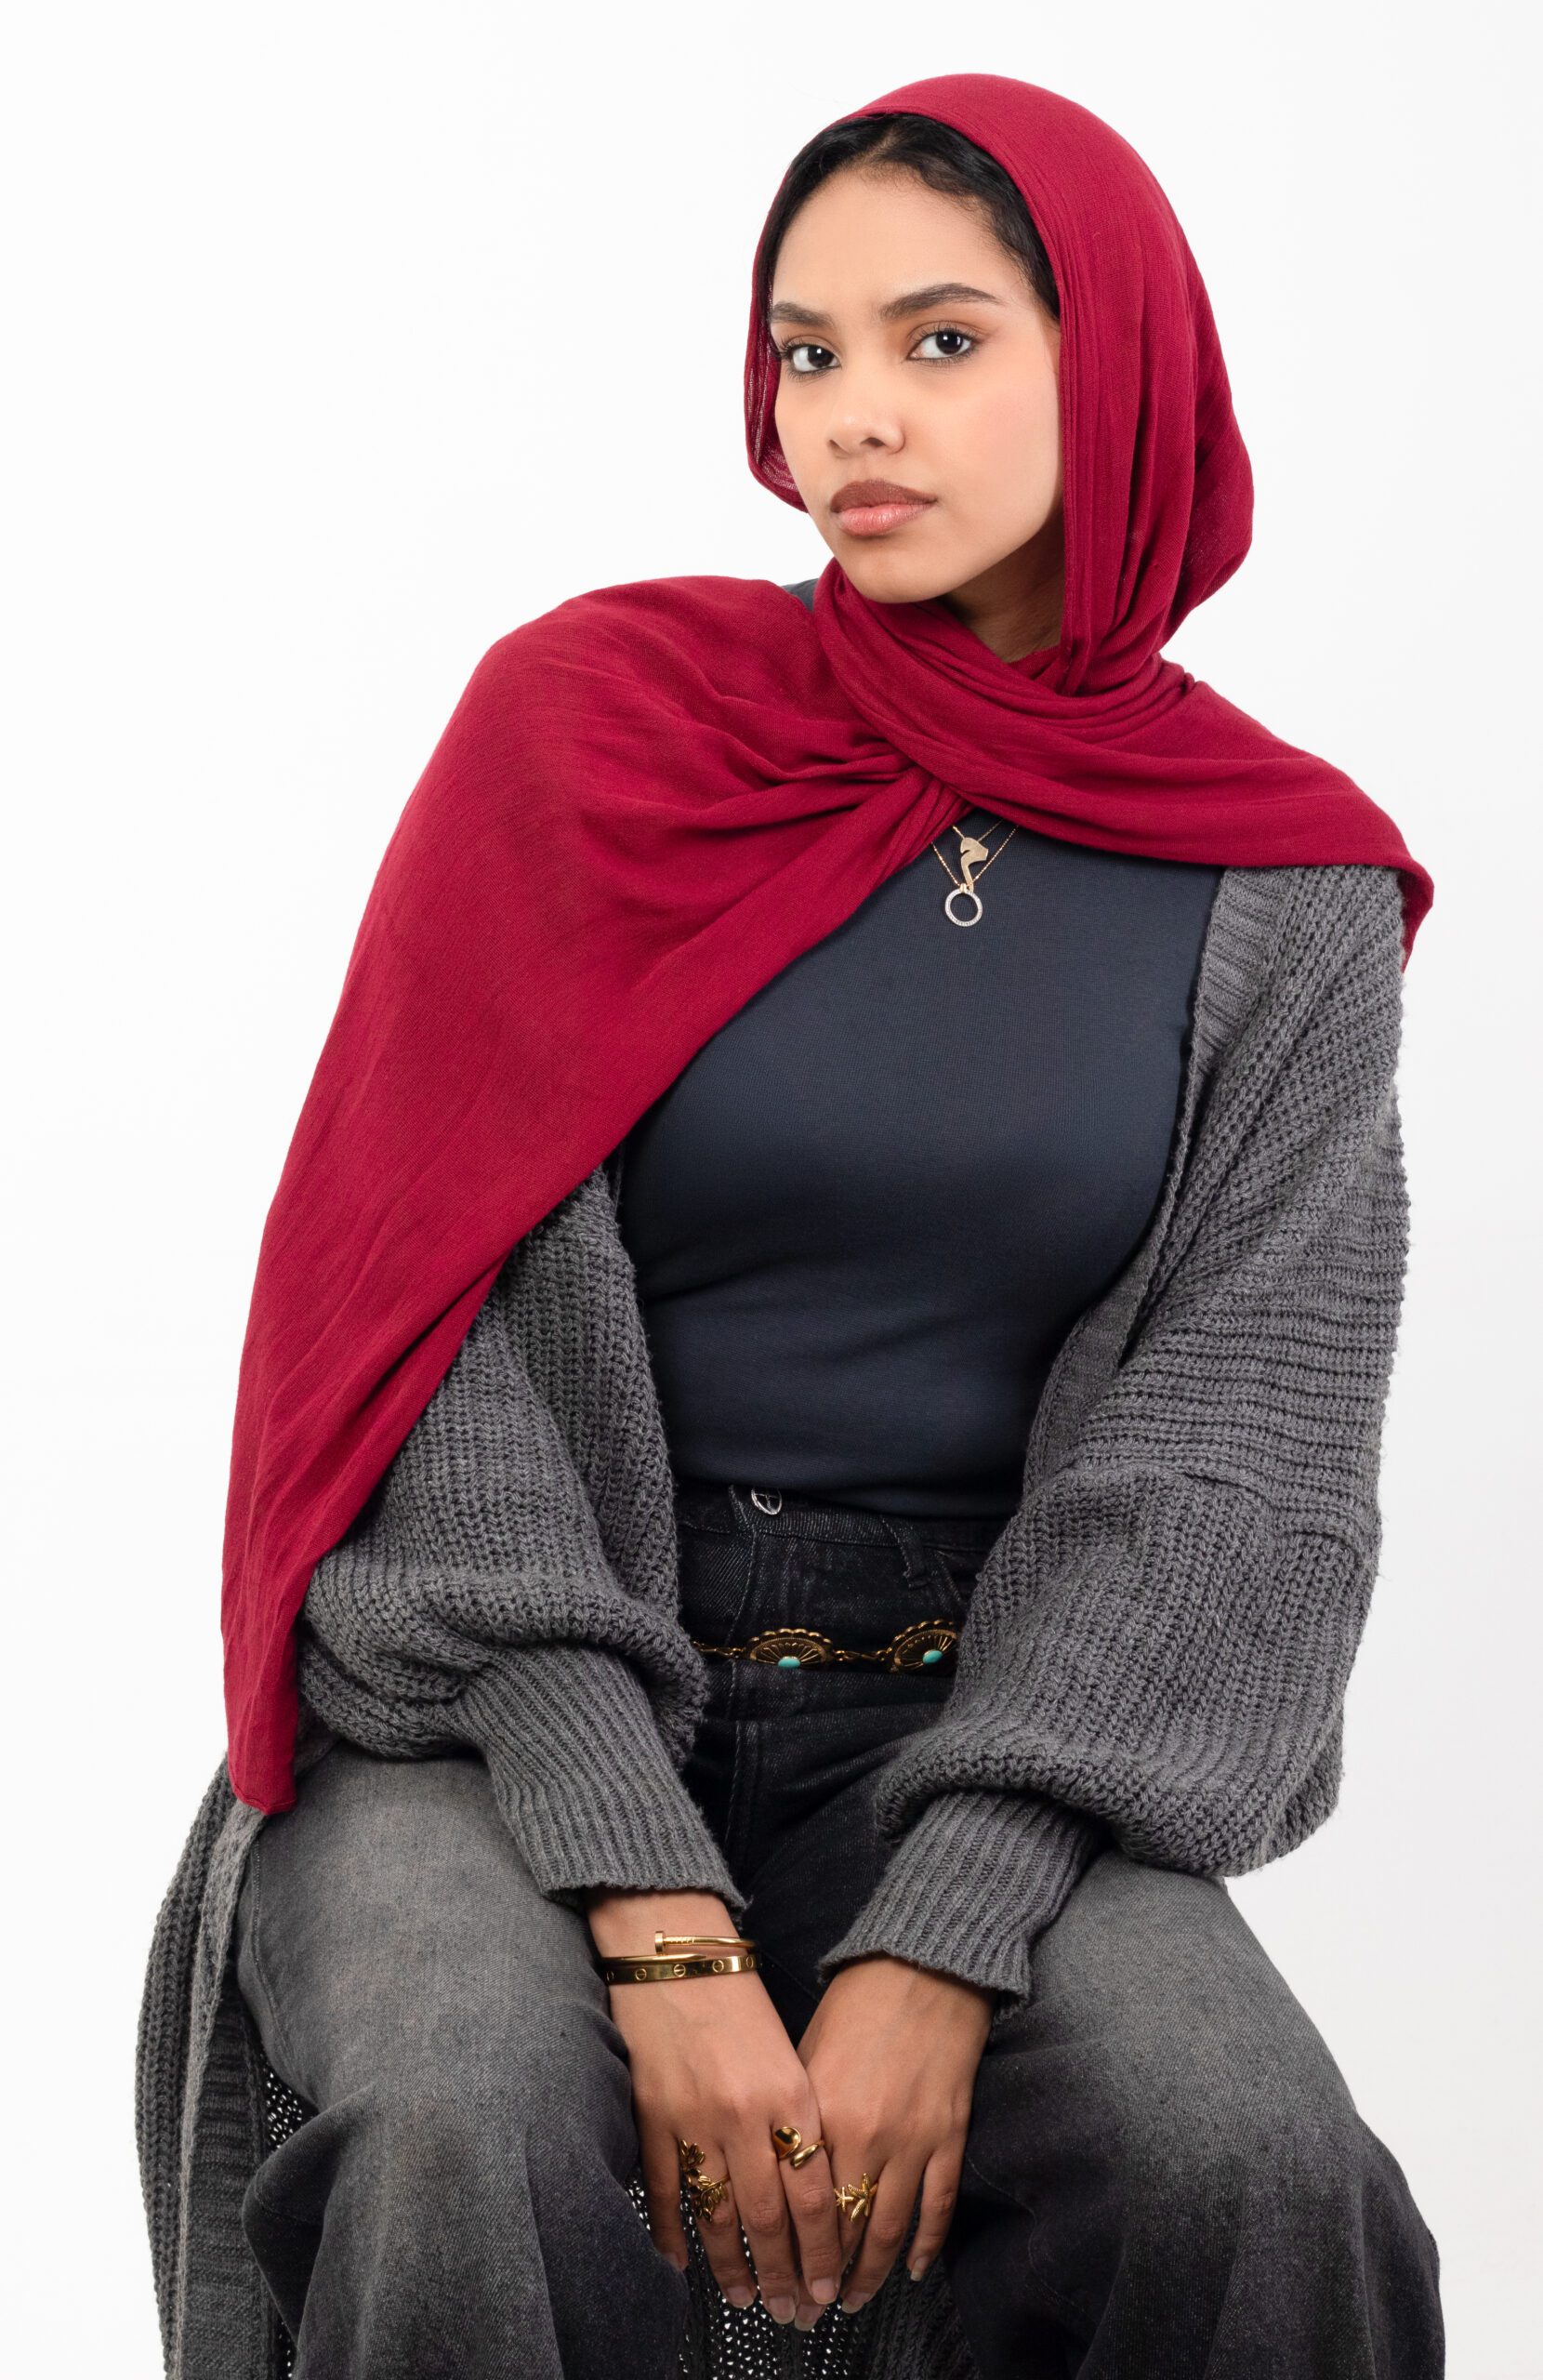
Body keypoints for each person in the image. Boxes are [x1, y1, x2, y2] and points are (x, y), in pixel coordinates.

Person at [136, 72, 1444, 2380]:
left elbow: (1234, 1470)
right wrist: (651, 1902)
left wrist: (942, 1937)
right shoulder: (594, 731)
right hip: (490, 1702)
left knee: (1245, 2157)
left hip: (973, 1725)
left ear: (1121, 365)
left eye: (940, 340)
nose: (852, 414)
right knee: (464, 2111)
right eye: (804, 350)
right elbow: (425, 1327)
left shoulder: (1284, 883)